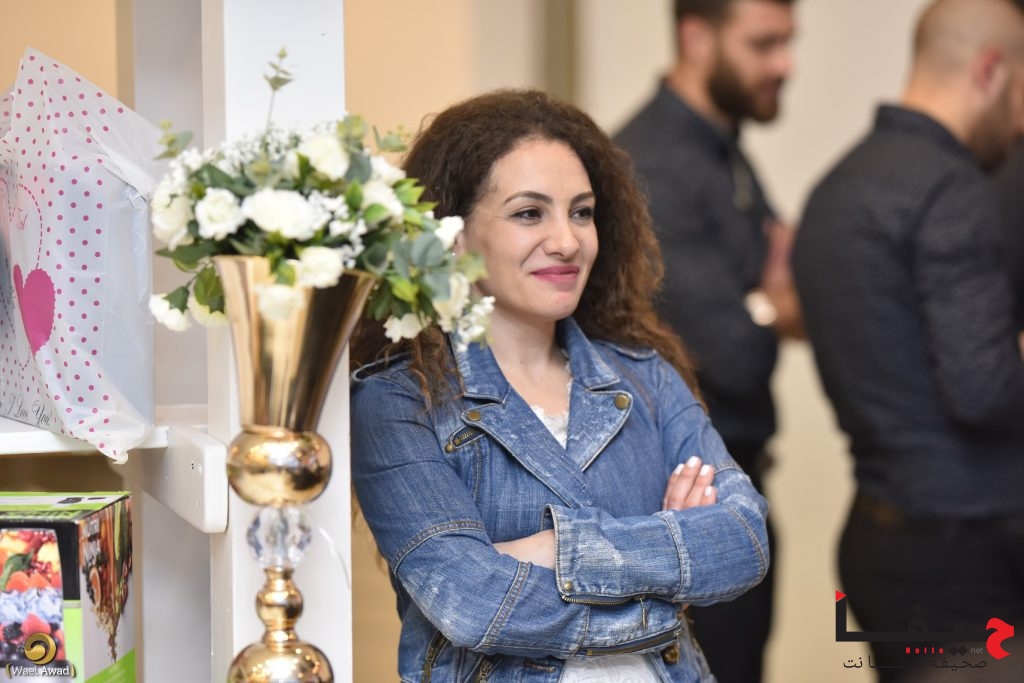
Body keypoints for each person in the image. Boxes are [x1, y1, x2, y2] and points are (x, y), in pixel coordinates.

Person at [350, 89, 770, 683]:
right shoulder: (399, 402)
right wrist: (669, 568)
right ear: (453, 235)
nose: (568, 241)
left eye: (581, 212)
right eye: (529, 213)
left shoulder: (647, 376)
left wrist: (552, 549)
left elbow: (743, 539)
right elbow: (471, 602)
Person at [792, 0, 1024, 678]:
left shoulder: (834, 189)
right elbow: (983, 391)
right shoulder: (952, 188)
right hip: (967, 558)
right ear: (990, 70)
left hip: (879, 542)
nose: (1020, 123)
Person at [614, 2, 799, 680]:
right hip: (685, 511)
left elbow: (798, 282)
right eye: (764, 44)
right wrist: (768, 304)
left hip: (734, 492)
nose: (785, 64)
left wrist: (765, 304)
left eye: (788, 42)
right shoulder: (655, 165)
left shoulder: (723, 147)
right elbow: (738, 353)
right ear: (695, 37)